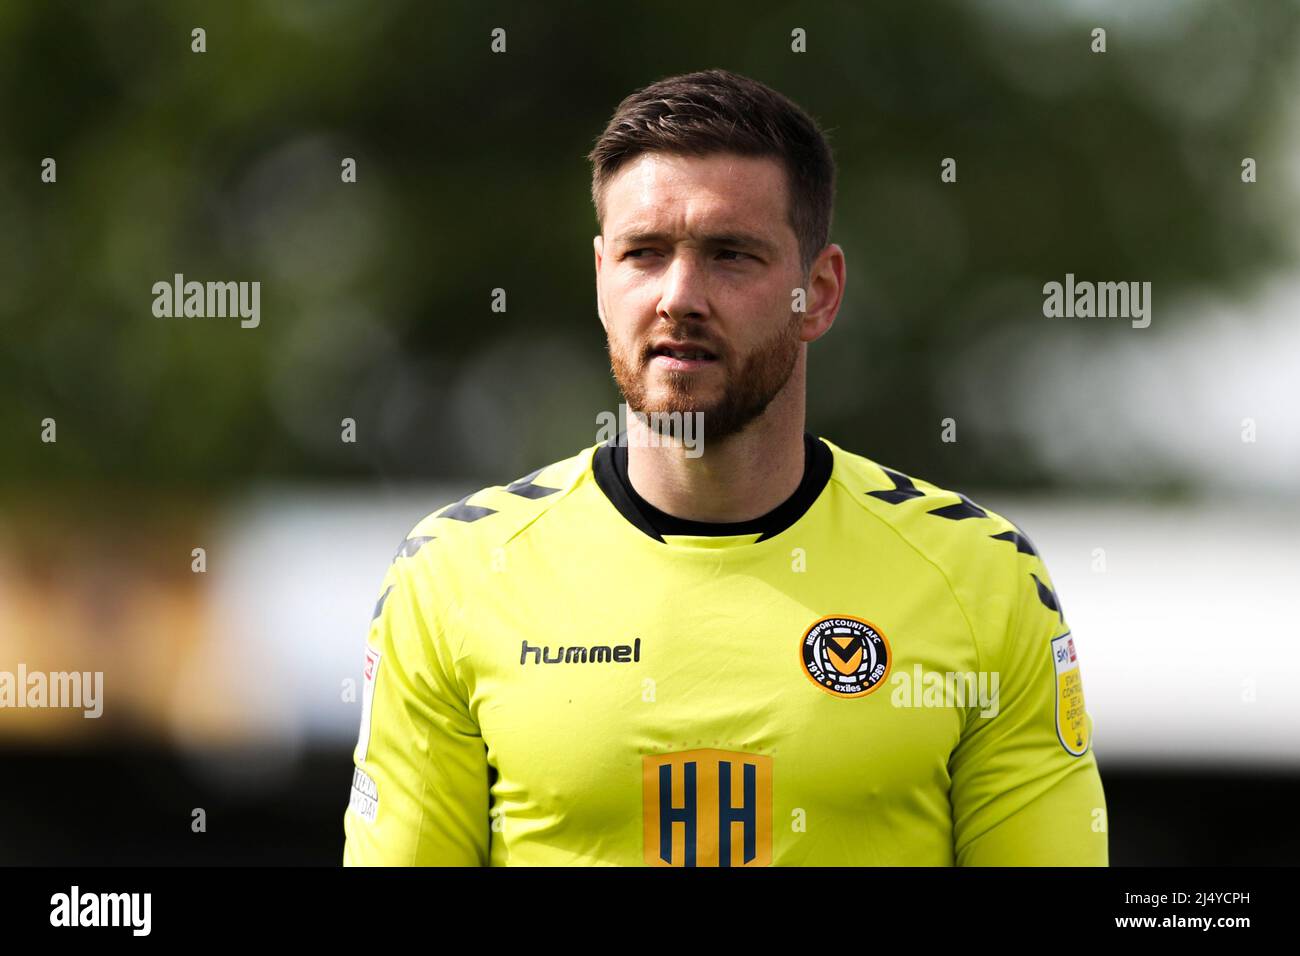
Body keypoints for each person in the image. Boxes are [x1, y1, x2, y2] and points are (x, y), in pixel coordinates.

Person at [342, 68, 1106, 866]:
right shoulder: (456, 577)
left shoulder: (980, 577)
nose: (679, 295)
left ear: (818, 291)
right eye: (645, 254)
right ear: (602, 280)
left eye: (730, 254)